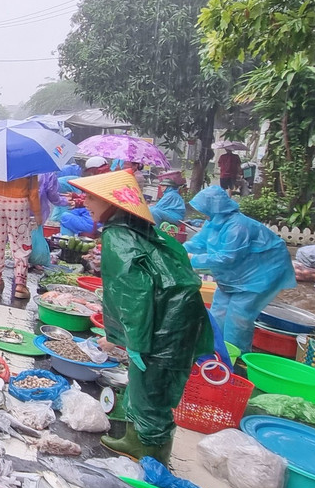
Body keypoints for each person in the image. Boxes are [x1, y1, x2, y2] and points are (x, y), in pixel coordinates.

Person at [72, 170, 211, 465]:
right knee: (148, 382)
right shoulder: (135, 227)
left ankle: (149, 453)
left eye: (91, 197)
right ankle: (139, 441)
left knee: (150, 384)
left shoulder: (118, 237)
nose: (85, 202)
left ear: (112, 203)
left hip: (164, 321)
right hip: (173, 314)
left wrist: (124, 339)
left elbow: (133, 294)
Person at [184, 185, 297, 353]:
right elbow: (198, 243)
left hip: (260, 275)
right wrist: (179, 250)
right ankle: (215, 351)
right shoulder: (213, 223)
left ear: (214, 207)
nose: (202, 213)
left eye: (204, 208)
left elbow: (227, 258)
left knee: (239, 317)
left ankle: (236, 357)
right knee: (218, 312)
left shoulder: (238, 227)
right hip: (235, 277)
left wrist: (193, 259)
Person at [0, 173, 42, 299]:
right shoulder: (31, 163)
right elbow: (33, 193)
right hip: (19, 203)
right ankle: (20, 285)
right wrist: (37, 214)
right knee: (21, 244)